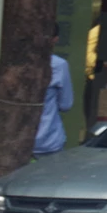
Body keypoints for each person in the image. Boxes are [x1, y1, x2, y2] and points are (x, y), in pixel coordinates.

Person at [34, 30, 74, 158]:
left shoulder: (15, 63)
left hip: (16, 139)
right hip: (48, 138)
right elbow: (66, 104)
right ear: (55, 39)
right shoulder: (58, 65)